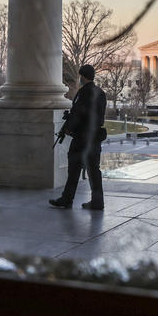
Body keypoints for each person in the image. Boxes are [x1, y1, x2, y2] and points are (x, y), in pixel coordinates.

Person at [49, 64, 107, 210]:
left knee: (74, 169)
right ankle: (97, 201)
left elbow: (79, 114)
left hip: (82, 138)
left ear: (83, 76)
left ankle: (67, 199)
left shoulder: (83, 93)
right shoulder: (100, 92)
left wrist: (69, 128)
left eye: (80, 76)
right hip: (94, 137)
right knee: (94, 170)